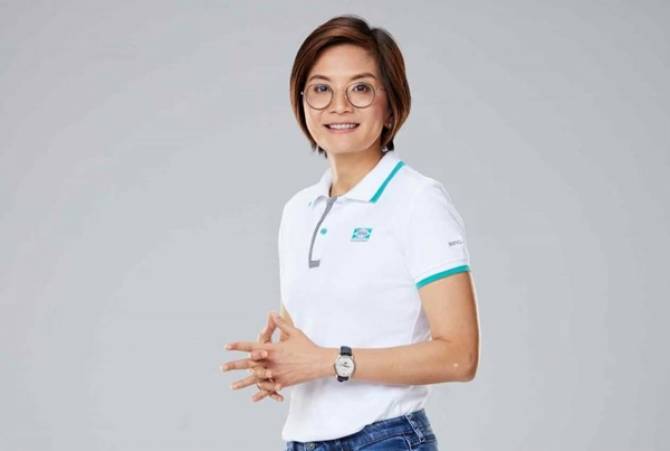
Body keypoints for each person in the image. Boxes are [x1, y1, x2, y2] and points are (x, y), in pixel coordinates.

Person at [221, 14, 479, 451]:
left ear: (391, 105)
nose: (339, 105)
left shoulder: (418, 200)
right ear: (302, 102)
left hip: (384, 438)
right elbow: (308, 348)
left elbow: (460, 355)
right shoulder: (298, 210)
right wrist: (279, 364)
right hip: (304, 441)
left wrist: (330, 362)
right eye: (321, 89)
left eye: (360, 89)